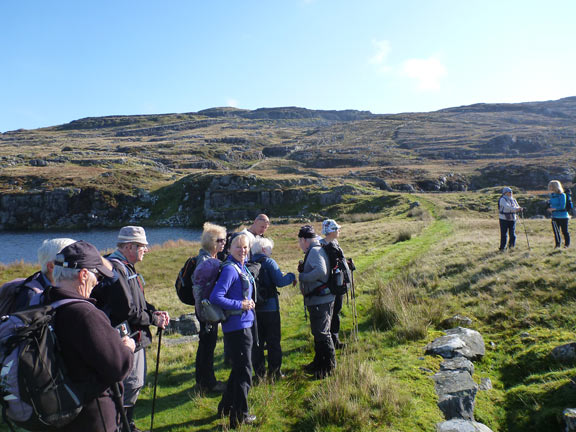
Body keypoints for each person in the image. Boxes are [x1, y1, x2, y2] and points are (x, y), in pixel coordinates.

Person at [44, 240, 135, 432]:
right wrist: (127, 347)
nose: (97, 283)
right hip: (90, 418)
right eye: (97, 277)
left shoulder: (43, 304)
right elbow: (118, 366)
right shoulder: (85, 314)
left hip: (55, 412)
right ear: (84, 275)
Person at [91, 226, 170, 432]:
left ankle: (128, 425)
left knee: (131, 384)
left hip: (131, 336)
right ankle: (122, 427)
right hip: (127, 339)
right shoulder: (117, 269)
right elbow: (127, 310)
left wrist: (154, 312)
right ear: (129, 246)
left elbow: (138, 303)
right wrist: (153, 318)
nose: (146, 250)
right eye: (143, 246)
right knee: (130, 384)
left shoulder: (121, 266)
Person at [209, 233, 257, 429]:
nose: (243, 250)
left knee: (238, 369)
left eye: (245, 247)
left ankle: (225, 407)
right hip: (237, 328)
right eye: (238, 247)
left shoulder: (240, 266)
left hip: (243, 325)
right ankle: (240, 416)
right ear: (229, 249)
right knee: (245, 372)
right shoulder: (230, 269)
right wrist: (242, 304)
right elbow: (216, 297)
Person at [250, 237, 296, 380]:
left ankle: (259, 374)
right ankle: (275, 373)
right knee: (273, 341)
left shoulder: (248, 263)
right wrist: (292, 275)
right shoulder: (269, 262)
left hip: (254, 309)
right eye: (270, 248)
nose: (271, 251)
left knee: (257, 343)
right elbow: (280, 281)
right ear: (264, 249)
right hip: (270, 308)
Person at [297, 224, 335, 379]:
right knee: (318, 333)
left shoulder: (314, 251)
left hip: (320, 300)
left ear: (305, 240)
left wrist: (303, 277)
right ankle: (318, 363)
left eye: (300, 241)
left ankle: (328, 368)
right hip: (319, 299)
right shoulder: (317, 249)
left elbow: (321, 271)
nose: (300, 245)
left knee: (322, 333)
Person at [194, 222, 227, 392]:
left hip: (205, 309)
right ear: (212, 241)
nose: (224, 243)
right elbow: (200, 291)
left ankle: (201, 380)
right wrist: (204, 314)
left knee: (205, 344)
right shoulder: (207, 262)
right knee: (208, 345)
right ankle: (208, 383)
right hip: (207, 311)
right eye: (220, 240)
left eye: (224, 239)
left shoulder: (208, 258)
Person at [7, 237, 76, 312]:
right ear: (51, 266)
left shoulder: (71, 286)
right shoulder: (31, 296)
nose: (78, 265)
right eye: (69, 262)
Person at [319, 219, 350, 349]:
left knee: (336, 310)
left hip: (338, 283)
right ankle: (329, 341)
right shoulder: (321, 246)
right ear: (331, 231)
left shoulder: (334, 243)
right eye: (337, 228)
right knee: (329, 313)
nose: (339, 230)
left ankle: (334, 338)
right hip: (330, 284)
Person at [498, 187, 523, 251]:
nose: (511, 193)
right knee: (504, 234)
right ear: (505, 193)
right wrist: (516, 209)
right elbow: (507, 207)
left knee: (512, 234)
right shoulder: (502, 199)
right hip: (503, 219)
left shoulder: (513, 199)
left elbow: (517, 206)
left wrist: (520, 209)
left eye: (511, 192)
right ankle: (502, 248)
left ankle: (511, 247)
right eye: (509, 192)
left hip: (512, 218)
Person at [547, 180, 571, 248]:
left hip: (563, 216)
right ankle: (557, 245)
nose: (549, 188)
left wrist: (553, 209)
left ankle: (567, 245)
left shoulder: (562, 195)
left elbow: (562, 206)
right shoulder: (552, 195)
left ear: (554, 186)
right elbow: (551, 204)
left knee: (564, 231)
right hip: (554, 216)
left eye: (551, 186)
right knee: (556, 232)